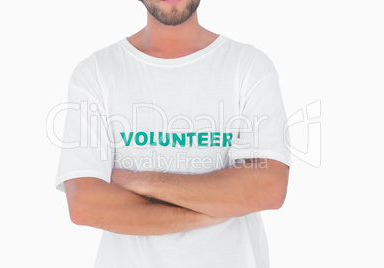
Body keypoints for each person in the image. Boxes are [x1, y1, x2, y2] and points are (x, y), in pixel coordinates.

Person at [55, 0, 291, 267]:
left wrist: (143, 181)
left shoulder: (249, 67)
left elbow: (268, 187)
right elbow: (85, 205)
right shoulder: (96, 73)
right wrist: (206, 212)